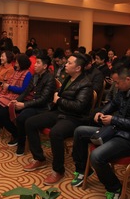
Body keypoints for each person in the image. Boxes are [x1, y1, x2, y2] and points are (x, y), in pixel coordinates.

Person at [71, 66, 130, 199]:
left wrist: (113, 120)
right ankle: (83, 169)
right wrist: (101, 113)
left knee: (96, 156)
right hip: (116, 130)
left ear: (128, 79)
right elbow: (113, 104)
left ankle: (115, 188)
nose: (115, 85)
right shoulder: (123, 91)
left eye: (117, 82)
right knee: (79, 131)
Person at [23, 53, 93, 185]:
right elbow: (60, 93)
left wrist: (59, 100)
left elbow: (79, 106)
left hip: (74, 118)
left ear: (78, 68)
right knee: (30, 122)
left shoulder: (86, 84)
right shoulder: (69, 77)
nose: (66, 65)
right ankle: (39, 158)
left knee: (56, 133)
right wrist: (57, 96)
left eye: (69, 63)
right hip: (60, 112)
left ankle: (58, 170)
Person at [9, 54, 56, 154]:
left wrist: (24, 105)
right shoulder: (35, 75)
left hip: (43, 108)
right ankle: (18, 138)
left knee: (22, 117)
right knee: (10, 109)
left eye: (38, 63)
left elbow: (43, 100)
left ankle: (21, 144)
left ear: (45, 66)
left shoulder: (50, 78)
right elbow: (26, 91)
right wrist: (17, 100)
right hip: (34, 103)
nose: (35, 65)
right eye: (35, 62)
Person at [0, 54, 32, 137]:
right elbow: (8, 83)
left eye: (17, 63)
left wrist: (9, 87)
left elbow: (23, 90)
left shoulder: (28, 74)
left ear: (22, 63)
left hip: (17, 97)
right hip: (9, 94)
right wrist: (6, 86)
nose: (15, 64)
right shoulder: (16, 72)